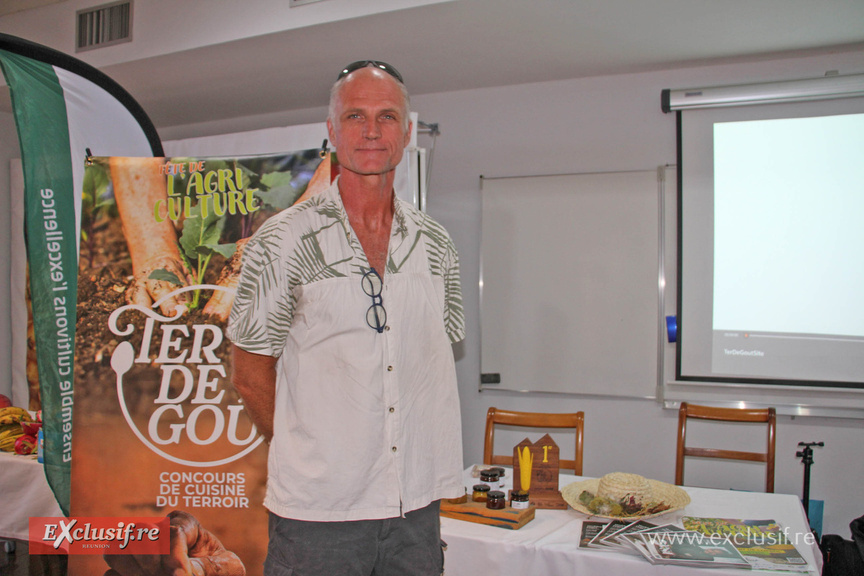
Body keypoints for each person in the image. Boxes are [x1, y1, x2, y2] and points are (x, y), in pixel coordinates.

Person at [227, 61, 466, 576]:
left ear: (406, 134)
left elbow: (430, 364)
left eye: (387, 117)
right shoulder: (281, 241)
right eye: (355, 116)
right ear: (332, 131)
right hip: (319, 515)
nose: (372, 131)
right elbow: (248, 376)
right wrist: (311, 446)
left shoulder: (436, 245)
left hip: (417, 509)